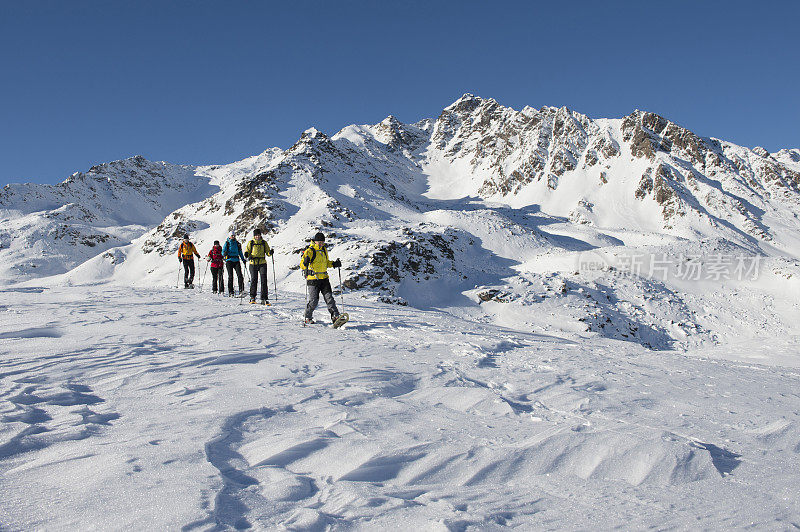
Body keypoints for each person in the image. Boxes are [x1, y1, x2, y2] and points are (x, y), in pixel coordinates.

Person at [301, 232, 342, 324]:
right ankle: (307, 317)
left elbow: (326, 263)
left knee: (329, 298)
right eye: (319, 242)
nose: (321, 243)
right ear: (315, 241)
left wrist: (334, 264)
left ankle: (335, 316)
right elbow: (302, 265)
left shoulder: (324, 250)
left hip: (324, 278)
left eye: (322, 242)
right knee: (314, 301)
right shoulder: (310, 251)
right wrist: (305, 263)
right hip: (313, 279)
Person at [244, 228, 274, 304]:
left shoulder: (264, 243)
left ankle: (264, 298)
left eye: (258, 235)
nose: (257, 236)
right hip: (253, 263)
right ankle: (252, 297)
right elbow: (247, 251)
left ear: (260, 235)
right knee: (254, 280)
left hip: (262, 263)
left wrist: (270, 252)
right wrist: (247, 254)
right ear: (254, 236)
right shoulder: (251, 243)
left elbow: (267, 252)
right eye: (256, 235)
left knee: (264, 280)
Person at [222, 232, 246, 296]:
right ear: (229, 236)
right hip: (229, 261)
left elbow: (240, 252)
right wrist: (224, 254)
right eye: (232, 235)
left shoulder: (237, 244)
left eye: (234, 235)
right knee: (230, 276)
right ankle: (231, 291)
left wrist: (243, 259)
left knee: (240, 275)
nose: (233, 237)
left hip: (236, 260)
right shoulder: (227, 243)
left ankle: (241, 290)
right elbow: (223, 251)